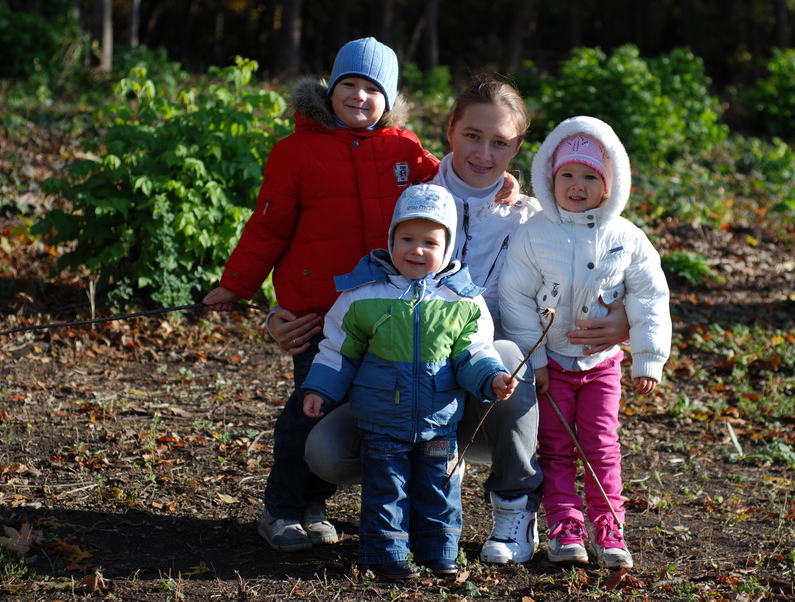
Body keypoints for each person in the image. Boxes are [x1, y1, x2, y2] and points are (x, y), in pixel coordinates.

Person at [284, 78, 632, 565]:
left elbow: (602, 269)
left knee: (510, 355)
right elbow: (348, 260)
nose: (484, 153)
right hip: (405, 385)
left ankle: (515, 507)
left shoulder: (532, 217)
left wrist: (625, 325)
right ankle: (412, 484)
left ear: (517, 147)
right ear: (449, 130)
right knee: (327, 450)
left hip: (490, 392)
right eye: (472, 135)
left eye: (500, 142)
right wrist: (293, 309)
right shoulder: (409, 198)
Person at [203, 37, 441, 552]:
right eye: (349, 85)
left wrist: (505, 186)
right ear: (330, 89)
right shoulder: (296, 152)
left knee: (359, 411)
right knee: (311, 408)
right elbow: (267, 227)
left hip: (382, 313)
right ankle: (283, 507)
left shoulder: (405, 151)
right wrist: (235, 285)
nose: (359, 96)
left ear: (390, 98)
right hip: (316, 314)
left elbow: (450, 191)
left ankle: (316, 504)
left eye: (372, 89)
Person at [301, 183, 518, 579]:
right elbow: (338, 350)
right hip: (381, 416)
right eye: (407, 238)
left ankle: (438, 551)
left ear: (448, 248)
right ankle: (386, 555)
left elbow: (474, 352)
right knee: (387, 489)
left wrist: (492, 378)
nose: (416, 250)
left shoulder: (461, 302)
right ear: (391, 239)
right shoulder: (364, 296)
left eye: (429, 242)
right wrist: (322, 389)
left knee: (439, 489)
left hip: (438, 418)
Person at [499, 115, 671, 570]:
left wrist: (648, 356)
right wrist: (531, 358)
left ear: (610, 182)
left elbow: (650, 294)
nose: (577, 186)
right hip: (551, 363)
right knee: (554, 445)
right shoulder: (534, 234)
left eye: (591, 176)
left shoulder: (627, 237)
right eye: (567, 175)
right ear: (550, 178)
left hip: (601, 364)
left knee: (600, 442)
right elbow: (515, 295)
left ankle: (609, 525)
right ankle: (563, 523)